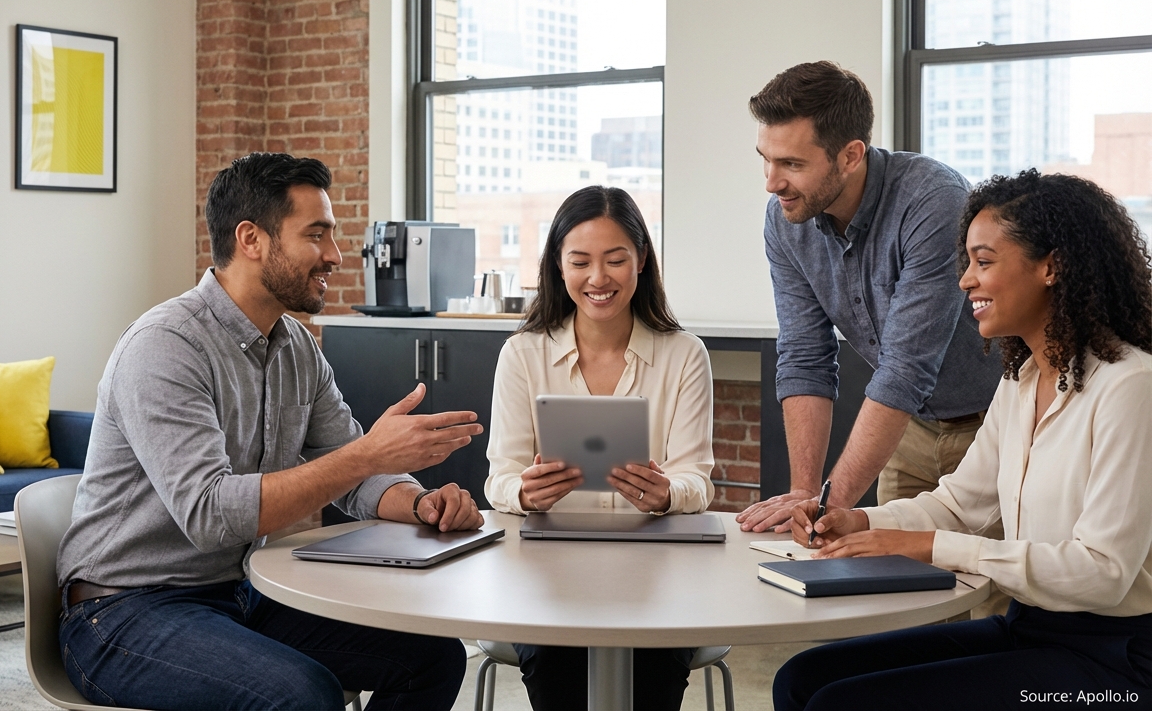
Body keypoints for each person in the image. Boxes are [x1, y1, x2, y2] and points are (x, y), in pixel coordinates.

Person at [55, 152, 487, 711]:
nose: (335, 256)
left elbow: (354, 475)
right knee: (302, 695)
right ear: (251, 239)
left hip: (238, 592)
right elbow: (210, 514)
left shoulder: (296, 347)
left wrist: (423, 503)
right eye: (317, 235)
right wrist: (364, 456)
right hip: (121, 610)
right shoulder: (165, 346)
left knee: (433, 657)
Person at [773, 170, 1152, 710]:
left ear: (1052, 266)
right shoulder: (1021, 382)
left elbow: (1103, 574)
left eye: (985, 261)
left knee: (846, 703)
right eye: (968, 261)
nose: (965, 281)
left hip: (1112, 667)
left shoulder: (1132, 386)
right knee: (804, 677)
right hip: (1031, 631)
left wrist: (929, 548)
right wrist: (862, 522)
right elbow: (959, 506)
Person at [737, 61, 1004, 534]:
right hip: (910, 430)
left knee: (987, 588)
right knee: (902, 592)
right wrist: (805, 495)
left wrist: (828, 505)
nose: (771, 181)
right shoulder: (785, 220)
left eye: (792, 164)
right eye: (766, 158)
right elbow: (805, 357)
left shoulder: (931, 200)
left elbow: (905, 368)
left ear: (850, 155)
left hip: (995, 427)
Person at [483, 185, 715, 711]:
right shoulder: (522, 354)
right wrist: (525, 492)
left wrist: (665, 494)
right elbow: (499, 480)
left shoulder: (685, 355)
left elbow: (697, 482)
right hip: (548, 570)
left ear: (641, 262)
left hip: (656, 569)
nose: (598, 278)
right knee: (556, 666)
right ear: (558, 267)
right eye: (580, 261)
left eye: (615, 260)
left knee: (653, 667)